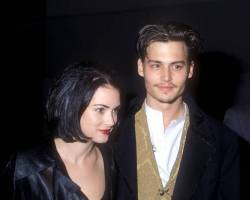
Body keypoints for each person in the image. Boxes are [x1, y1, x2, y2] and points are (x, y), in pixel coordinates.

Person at [114, 22, 240, 200]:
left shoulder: (224, 141)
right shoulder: (112, 132)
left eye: (177, 66)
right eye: (156, 65)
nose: (166, 77)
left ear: (190, 69)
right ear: (141, 67)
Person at [0, 62, 121, 199]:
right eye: (100, 110)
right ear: (72, 106)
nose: (112, 121)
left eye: (115, 110)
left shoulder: (112, 160)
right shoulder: (26, 167)